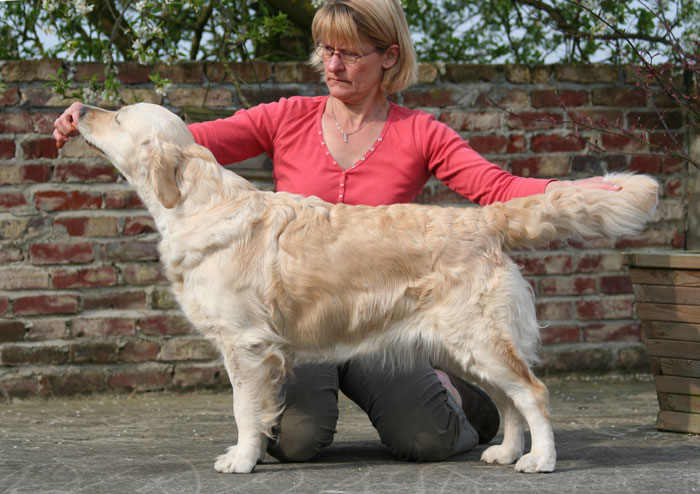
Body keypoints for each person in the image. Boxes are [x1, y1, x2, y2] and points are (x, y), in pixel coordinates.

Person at [54, 0, 619, 464]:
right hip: (304, 327)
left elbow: (494, 188)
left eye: (349, 52)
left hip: (384, 315)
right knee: (296, 443)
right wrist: (92, 121)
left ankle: (465, 396)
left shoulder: (421, 131)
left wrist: (575, 197)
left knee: (428, 441)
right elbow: (179, 142)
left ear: (388, 57)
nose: (333, 63)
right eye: (326, 49)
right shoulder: (286, 115)